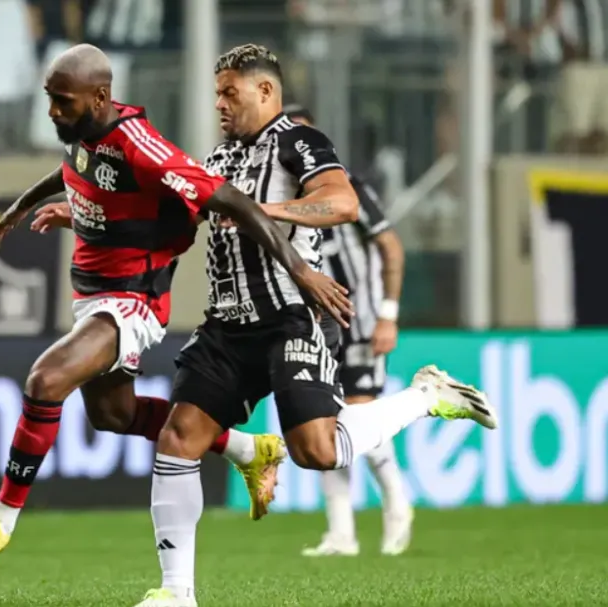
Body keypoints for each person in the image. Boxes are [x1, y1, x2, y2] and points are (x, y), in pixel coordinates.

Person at [0, 43, 354, 573]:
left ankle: (1, 519)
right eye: (50, 100)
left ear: (99, 97)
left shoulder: (145, 147)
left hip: (133, 301)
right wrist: (29, 205)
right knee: (114, 415)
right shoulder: (85, 133)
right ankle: (249, 451)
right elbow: (72, 167)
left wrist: (301, 270)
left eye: (61, 102)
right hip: (93, 295)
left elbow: (228, 201)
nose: (52, 112)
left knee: (46, 381)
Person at [123, 44, 496, 607]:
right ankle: (178, 594)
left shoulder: (300, 141)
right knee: (179, 439)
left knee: (318, 451)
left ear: (265, 91)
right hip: (227, 326)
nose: (220, 103)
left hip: (294, 317)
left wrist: (263, 211)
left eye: (231, 92)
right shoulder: (218, 158)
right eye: (217, 93)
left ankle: (425, 396)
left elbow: (341, 203)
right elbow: (175, 214)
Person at [282, 105, 414, 557]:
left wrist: (388, 315)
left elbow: (391, 248)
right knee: (327, 422)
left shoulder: (349, 188)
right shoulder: (283, 198)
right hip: (318, 323)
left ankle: (397, 501)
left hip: (361, 322)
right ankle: (342, 533)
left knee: (357, 414)